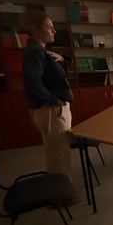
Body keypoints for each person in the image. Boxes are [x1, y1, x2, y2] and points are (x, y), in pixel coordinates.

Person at [22, 11, 73, 178]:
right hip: (51, 110)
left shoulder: (40, 51)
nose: (54, 31)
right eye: (50, 27)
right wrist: (54, 101)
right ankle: (61, 190)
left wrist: (62, 60)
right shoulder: (36, 52)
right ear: (36, 30)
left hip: (52, 109)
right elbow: (32, 81)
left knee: (59, 150)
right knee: (58, 154)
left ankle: (61, 186)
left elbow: (50, 75)